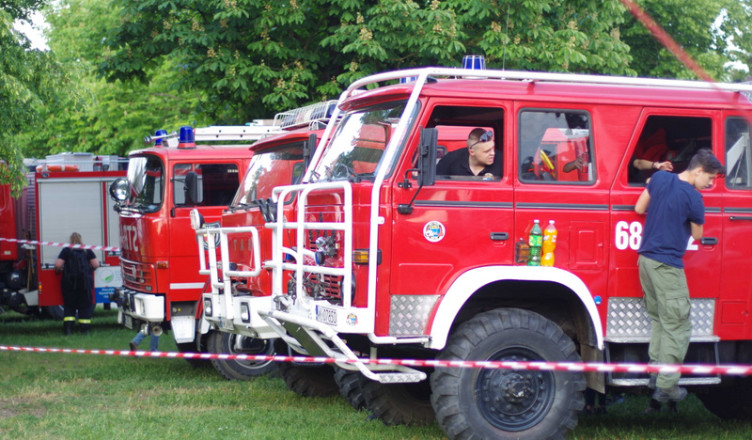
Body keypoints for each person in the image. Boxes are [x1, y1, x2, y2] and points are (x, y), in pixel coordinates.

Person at [634, 148, 724, 406]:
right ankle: (667, 385)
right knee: (678, 325)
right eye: (710, 178)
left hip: (645, 261)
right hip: (668, 266)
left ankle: (656, 374)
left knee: (660, 320)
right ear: (699, 171)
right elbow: (697, 235)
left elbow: (639, 208)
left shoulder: (660, 178)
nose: (710, 183)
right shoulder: (694, 197)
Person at [54, 232, 99, 335]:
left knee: (69, 306)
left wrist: (58, 270)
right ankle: (85, 330)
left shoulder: (66, 250)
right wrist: (89, 270)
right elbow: (96, 264)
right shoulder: (87, 250)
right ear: (81, 240)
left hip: (69, 282)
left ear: (70, 240)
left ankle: (68, 330)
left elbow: (58, 265)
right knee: (85, 306)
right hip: (85, 283)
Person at [436, 128, 502, 178]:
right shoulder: (450, 160)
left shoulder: (502, 160)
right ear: (472, 152)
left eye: (492, 148)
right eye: (487, 151)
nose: (493, 153)